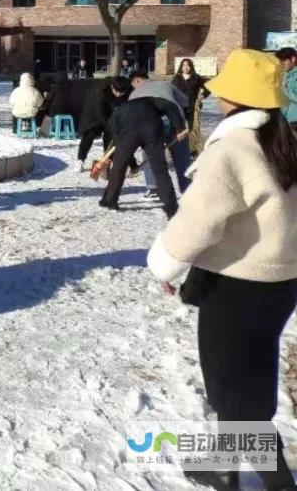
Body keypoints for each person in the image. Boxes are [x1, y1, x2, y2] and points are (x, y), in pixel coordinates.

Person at [148, 49, 297, 490]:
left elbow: (199, 220)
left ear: (233, 98)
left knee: (231, 386)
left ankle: (277, 482)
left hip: (237, 284)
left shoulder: (232, 149)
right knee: (250, 374)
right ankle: (225, 467)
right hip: (282, 281)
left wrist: (166, 262)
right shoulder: (284, 141)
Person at [99, 96, 178, 217]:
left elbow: (117, 140)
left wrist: (131, 163)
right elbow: (170, 106)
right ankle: (171, 208)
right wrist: (179, 126)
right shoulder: (151, 100)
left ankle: (110, 200)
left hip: (128, 133)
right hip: (152, 130)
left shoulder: (117, 112)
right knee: (160, 170)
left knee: (119, 167)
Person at [127, 69, 191, 195]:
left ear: (137, 80)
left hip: (151, 127)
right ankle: (187, 189)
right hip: (176, 123)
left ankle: (152, 187)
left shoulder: (133, 95)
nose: (134, 88)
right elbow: (185, 101)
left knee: (150, 154)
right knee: (181, 157)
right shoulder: (167, 84)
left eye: (133, 85)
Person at [76, 76, 131, 171]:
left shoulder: (127, 90)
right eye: (116, 91)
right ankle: (80, 159)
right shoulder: (100, 93)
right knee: (89, 134)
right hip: (93, 114)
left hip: (112, 113)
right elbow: (101, 114)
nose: (118, 94)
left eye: (121, 93)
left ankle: (107, 161)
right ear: (112, 87)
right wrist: (113, 128)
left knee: (110, 137)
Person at [172, 58, 209, 154]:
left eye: (188, 65)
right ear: (181, 67)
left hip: (192, 108)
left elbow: (208, 87)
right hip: (179, 108)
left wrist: (202, 96)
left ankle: (193, 150)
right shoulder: (176, 78)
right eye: (184, 65)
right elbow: (171, 91)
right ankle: (181, 149)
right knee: (180, 129)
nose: (186, 67)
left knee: (192, 129)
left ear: (191, 67)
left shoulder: (196, 78)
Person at [275, 47, 297, 129]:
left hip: (295, 121)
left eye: (284, 61)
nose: (281, 64)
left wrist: (285, 90)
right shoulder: (283, 74)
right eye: (280, 61)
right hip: (284, 119)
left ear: (293, 59)